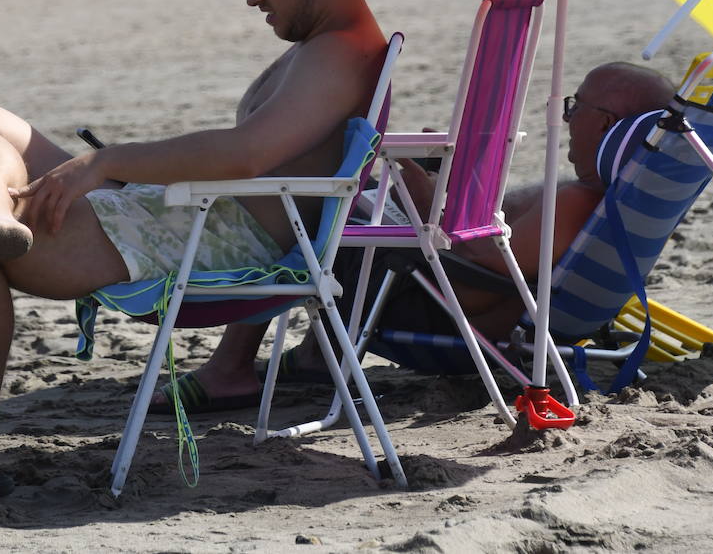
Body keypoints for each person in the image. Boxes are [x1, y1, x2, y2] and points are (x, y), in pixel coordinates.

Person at [0, 0, 385, 513]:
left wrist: (106, 162)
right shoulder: (325, 50)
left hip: (214, 237)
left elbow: (246, 154)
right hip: (188, 213)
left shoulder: (341, 53)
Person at [160, 61, 675, 407]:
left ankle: (230, 368)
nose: (566, 119)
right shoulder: (598, 201)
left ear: (606, 123)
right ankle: (320, 353)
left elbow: (497, 267)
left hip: (436, 302)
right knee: (330, 195)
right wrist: (440, 190)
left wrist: (425, 197)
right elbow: (499, 250)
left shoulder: (576, 200)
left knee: (303, 202)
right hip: (440, 284)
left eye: (574, 108)